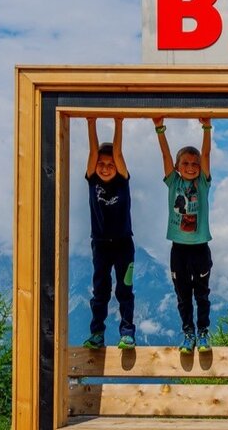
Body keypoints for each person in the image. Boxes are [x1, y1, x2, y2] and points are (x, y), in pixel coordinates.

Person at [153, 117, 214, 354]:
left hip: (200, 247)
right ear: (178, 167)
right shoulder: (173, 182)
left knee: (202, 293)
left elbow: (206, 154)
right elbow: (165, 155)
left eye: (195, 164)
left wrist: (207, 127)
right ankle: (188, 332)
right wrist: (159, 128)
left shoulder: (203, 183)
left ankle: (203, 332)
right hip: (178, 248)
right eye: (185, 163)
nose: (191, 167)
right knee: (183, 294)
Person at [83, 117, 136, 350]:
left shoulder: (122, 180)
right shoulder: (92, 180)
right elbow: (92, 152)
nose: (105, 168)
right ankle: (97, 333)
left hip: (124, 243)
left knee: (125, 289)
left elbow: (119, 153)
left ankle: (127, 333)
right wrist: (91, 122)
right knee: (100, 290)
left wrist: (118, 121)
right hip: (101, 244)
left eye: (110, 164)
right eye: (101, 164)